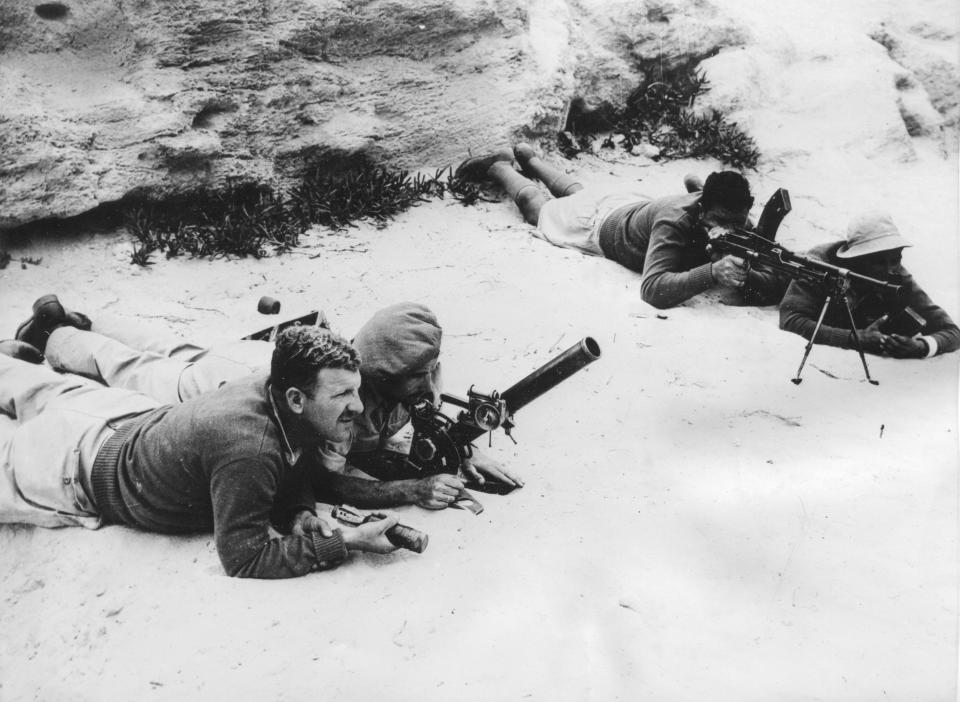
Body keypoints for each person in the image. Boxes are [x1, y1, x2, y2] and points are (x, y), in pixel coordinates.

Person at [13, 298, 522, 510]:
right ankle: (53, 333)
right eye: (418, 377)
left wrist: (464, 453)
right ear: (385, 376)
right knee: (148, 370)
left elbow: (427, 415)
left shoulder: (406, 363)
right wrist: (412, 488)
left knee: (177, 351)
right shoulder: (341, 411)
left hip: (280, 365)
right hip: (229, 384)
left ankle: (81, 320)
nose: (429, 382)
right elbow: (325, 482)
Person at [1, 311, 403, 579]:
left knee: (29, 383)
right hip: (72, 466)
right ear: (297, 398)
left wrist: (298, 511)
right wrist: (343, 541)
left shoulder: (272, 385)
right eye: (342, 395)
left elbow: (293, 451)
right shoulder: (251, 450)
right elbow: (244, 558)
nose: (358, 405)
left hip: (117, 415)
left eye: (357, 389)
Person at [456, 144, 788, 308]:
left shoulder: (726, 210)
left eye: (739, 222)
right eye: (722, 223)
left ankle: (531, 159)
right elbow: (653, 289)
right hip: (599, 228)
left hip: (629, 205)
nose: (732, 229)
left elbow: (764, 273)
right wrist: (712, 273)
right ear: (701, 208)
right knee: (542, 211)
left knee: (579, 193)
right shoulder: (675, 222)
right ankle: (500, 166)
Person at [779, 211, 959, 358]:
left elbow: (952, 331)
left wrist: (921, 347)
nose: (890, 269)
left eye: (896, 259)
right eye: (879, 262)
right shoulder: (818, 266)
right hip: (781, 275)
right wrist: (854, 339)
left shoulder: (897, 275)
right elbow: (791, 320)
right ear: (856, 259)